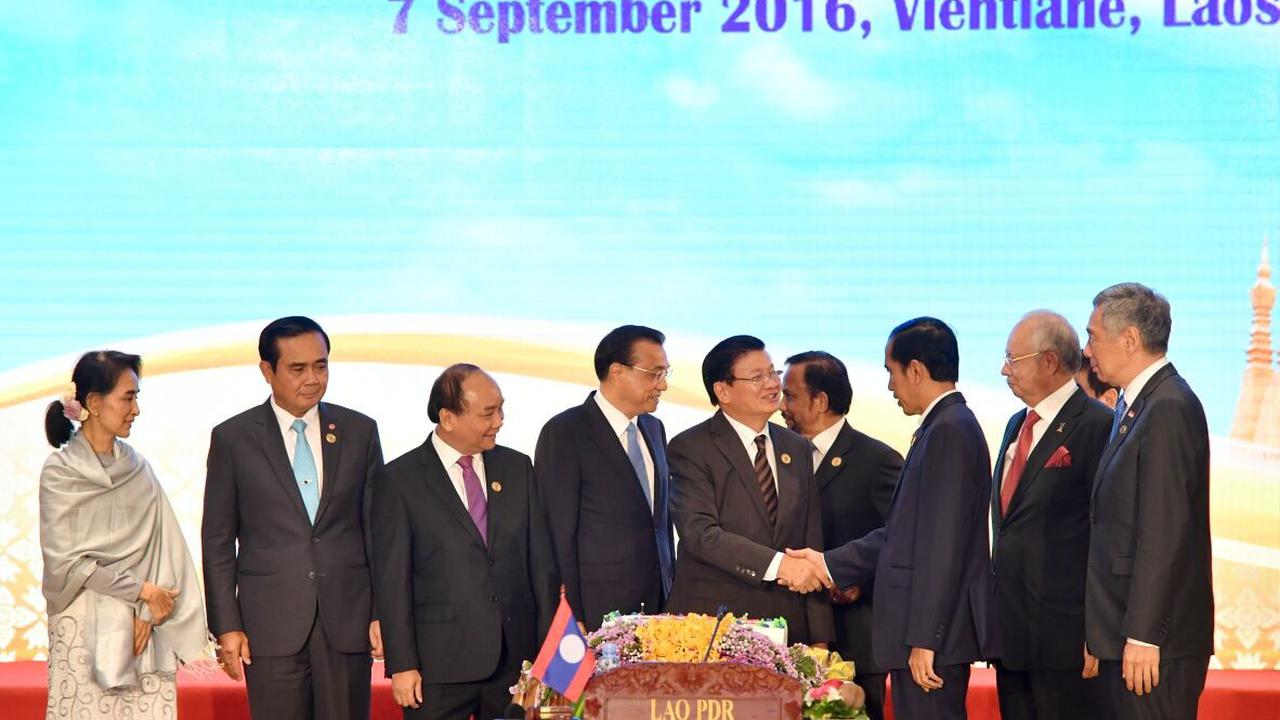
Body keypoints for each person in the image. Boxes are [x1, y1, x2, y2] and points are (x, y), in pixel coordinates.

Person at [790, 317, 999, 720]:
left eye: (892, 372)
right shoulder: (942, 426)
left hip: (930, 641)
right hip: (923, 637)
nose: (889, 386)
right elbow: (902, 533)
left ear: (915, 370)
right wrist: (825, 562)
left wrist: (926, 638)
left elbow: (943, 546)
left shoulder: (950, 430)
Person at [202, 316, 385, 720]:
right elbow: (217, 541)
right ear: (267, 371)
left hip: (348, 620)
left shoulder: (359, 431)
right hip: (270, 625)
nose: (313, 379)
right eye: (298, 368)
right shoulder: (233, 438)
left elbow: (378, 532)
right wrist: (226, 625)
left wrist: (380, 611)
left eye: (321, 366)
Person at [373, 364, 558, 720]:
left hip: (514, 665)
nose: (499, 421)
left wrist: (547, 655)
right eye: (488, 413)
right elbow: (392, 579)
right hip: (438, 667)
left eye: (501, 409)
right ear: (448, 418)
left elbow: (542, 567)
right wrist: (402, 664)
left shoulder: (517, 467)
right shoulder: (399, 479)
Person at [40, 351, 209, 719]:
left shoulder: (138, 468)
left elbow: (165, 548)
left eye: (136, 398)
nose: (136, 410)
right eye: (128, 398)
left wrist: (148, 609)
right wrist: (140, 591)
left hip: (145, 631)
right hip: (83, 629)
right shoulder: (60, 472)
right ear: (94, 403)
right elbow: (67, 564)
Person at [1083, 283, 1213, 720]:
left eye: (1093, 336)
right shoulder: (1137, 405)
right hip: (1122, 634)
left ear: (1130, 339)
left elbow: (1164, 530)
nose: (1087, 350)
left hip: (1153, 644)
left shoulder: (1169, 406)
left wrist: (1143, 634)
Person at [665, 335, 835, 645]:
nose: (772, 384)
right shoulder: (691, 447)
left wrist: (820, 636)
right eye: (757, 378)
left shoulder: (796, 447)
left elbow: (810, 541)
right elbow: (700, 533)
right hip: (715, 625)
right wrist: (779, 565)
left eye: (773, 373)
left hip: (788, 627)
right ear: (723, 391)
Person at [991, 311, 1111, 719]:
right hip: (1011, 637)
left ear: (1049, 361)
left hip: (1067, 640)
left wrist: (1098, 632)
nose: (1004, 370)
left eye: (1013, 359)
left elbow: (1106, 535)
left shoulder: (1097, 426)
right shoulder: (1016, 424)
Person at [780, 351, 902, 720]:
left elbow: (901, 538)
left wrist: (857, 580)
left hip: (855, 635)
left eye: (790, 396)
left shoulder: (877, 460)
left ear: (820, 401)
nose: (781, 406)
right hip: (791, 635)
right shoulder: (778, 456)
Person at [535, 325, 675, 630]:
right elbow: (558, 531)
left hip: (659, 605)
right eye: (654, 374)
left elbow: (659, 524)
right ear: (617, 372)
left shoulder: (654, 428)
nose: (663, 385)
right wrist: (572, 613)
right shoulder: (565, 432)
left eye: (666, 373)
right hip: (597, 610)